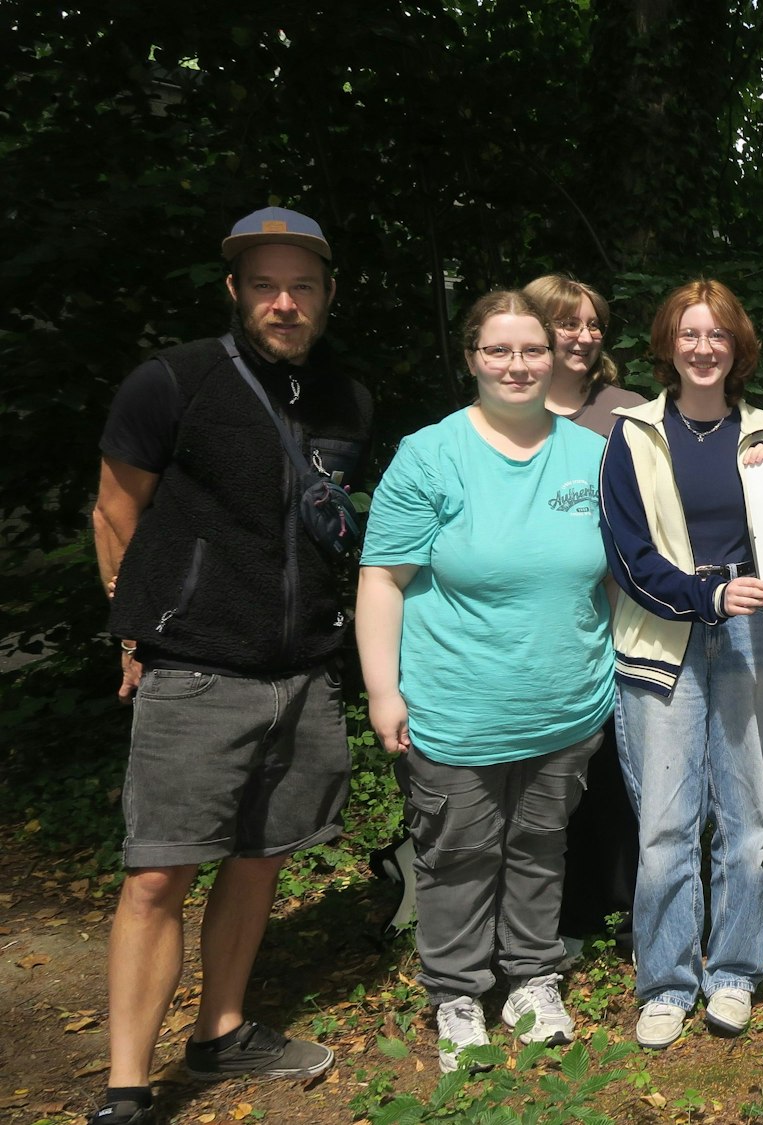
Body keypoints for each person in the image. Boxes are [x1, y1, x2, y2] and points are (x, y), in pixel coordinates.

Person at [88, 207, 371, 1125]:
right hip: (198, 669)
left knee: (259, 860)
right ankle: (128, 1085)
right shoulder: (173, 381)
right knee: (160, 872)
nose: (283, 303)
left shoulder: (346, 399)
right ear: (236, 291)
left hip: (304, 672)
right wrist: (139, 625)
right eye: (265, 285)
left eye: (302, 286)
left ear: (327, 294)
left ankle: (221, 1031)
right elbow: (114, 510)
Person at [354, 290, 614, 1073]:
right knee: (459, 853)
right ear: (471, 357)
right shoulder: (431, 454)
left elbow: (627, 567)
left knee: (540, 847)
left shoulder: (592, 454)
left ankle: (533, 977)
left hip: (566, 708)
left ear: (558, 355)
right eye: (498, 350)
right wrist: (382, 690)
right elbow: (381, 579)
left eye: (531, 349)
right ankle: (458, 991)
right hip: (456, 709)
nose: (517, 364)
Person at [600, 279, 763, 1047]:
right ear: (668, 345)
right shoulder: (633, 433)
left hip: (751, 639)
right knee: (665, 821)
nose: (704, 348)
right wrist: (704, 595)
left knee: (746, 818)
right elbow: (627, 553)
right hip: (661, 637)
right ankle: (668, 980)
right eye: (689, 334)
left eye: (717, 335)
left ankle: (736, 971)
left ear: (737, 345)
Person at [521, 274, 647, 959]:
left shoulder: (626, 409)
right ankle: (565, 914)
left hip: (620, 621)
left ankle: (627, 907)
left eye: (593, 322)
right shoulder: (506, 408)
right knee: (546, 777)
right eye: (567, 323)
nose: (584, 335)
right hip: (536, 629)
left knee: (617, 774)